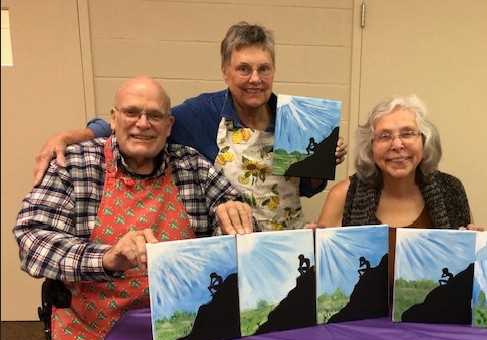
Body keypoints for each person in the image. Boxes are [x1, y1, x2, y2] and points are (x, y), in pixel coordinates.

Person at [14, 76, 252, 340]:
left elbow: (235, 212)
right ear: (113, 119)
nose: (143, 123)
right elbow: (32, 239)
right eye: (131, 113)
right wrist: (107, 258)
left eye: (154, 115)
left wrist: (233, 212)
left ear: (169, 125)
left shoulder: (192, 165)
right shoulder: (74, 164)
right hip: (95, 331)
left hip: (182, 325)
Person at [34, 22, 347, 231]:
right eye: (244, 69)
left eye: (264, 69)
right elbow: (147, 123)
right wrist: (80, 134)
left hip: (288, 243)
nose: (255, 79)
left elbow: (307, 189)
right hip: (228, 249)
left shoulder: (301, 118)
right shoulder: (202, 113)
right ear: (225, 71)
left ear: (274, 70)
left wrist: (323, 160)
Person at [316, 95, 481, 285]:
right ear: (370, 147)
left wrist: (475, 250)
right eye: (384, 136)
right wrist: (309, 247)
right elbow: (323, 277)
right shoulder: (343, 195)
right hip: (360, 303)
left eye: (407, 133)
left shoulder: (451, 190)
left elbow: (464, 275)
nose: (397, 145)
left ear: (425, 140)